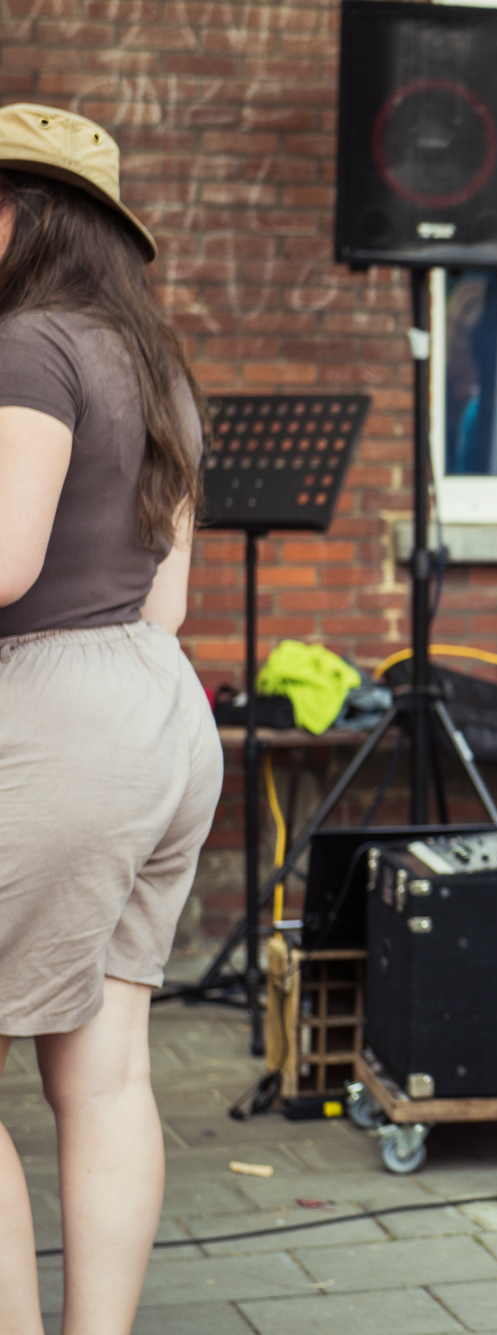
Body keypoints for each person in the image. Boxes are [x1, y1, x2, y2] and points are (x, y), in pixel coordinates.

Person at [0, 105, 221, 1331]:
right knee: (108, 1070)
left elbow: (6, 562)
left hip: (49, 714)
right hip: (156, 710)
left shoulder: (25, 346)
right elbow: (169, 599)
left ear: (27, 215)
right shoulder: (155, 367)